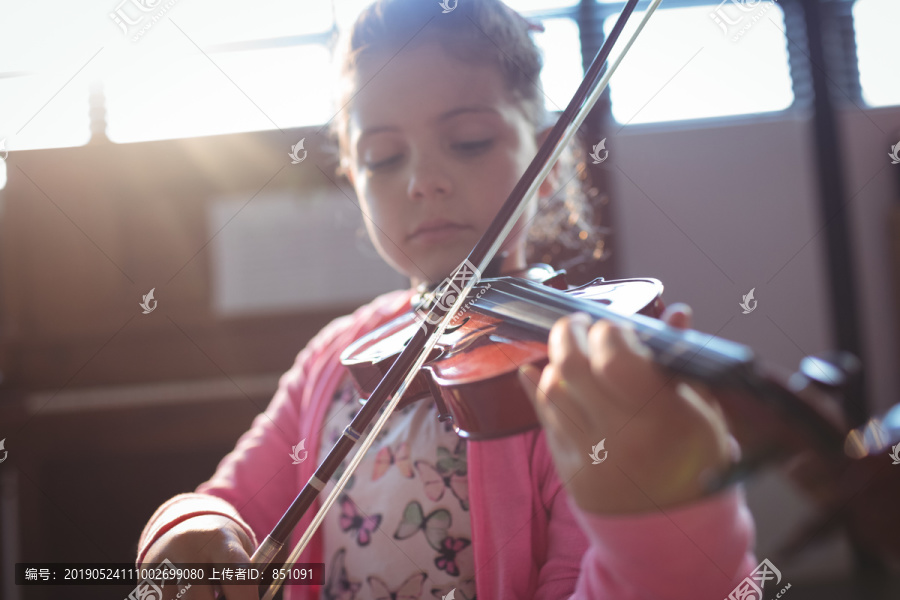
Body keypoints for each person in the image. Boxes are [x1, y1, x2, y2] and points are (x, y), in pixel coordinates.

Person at [136, 1, 757, 598]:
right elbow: (225, 504)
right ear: (354, 176)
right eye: (382, 157)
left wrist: (668, 519)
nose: (422, 181)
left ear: (544, 154)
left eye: (468, 142)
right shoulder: (332, 359)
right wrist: (186, 527)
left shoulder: (566, 376)